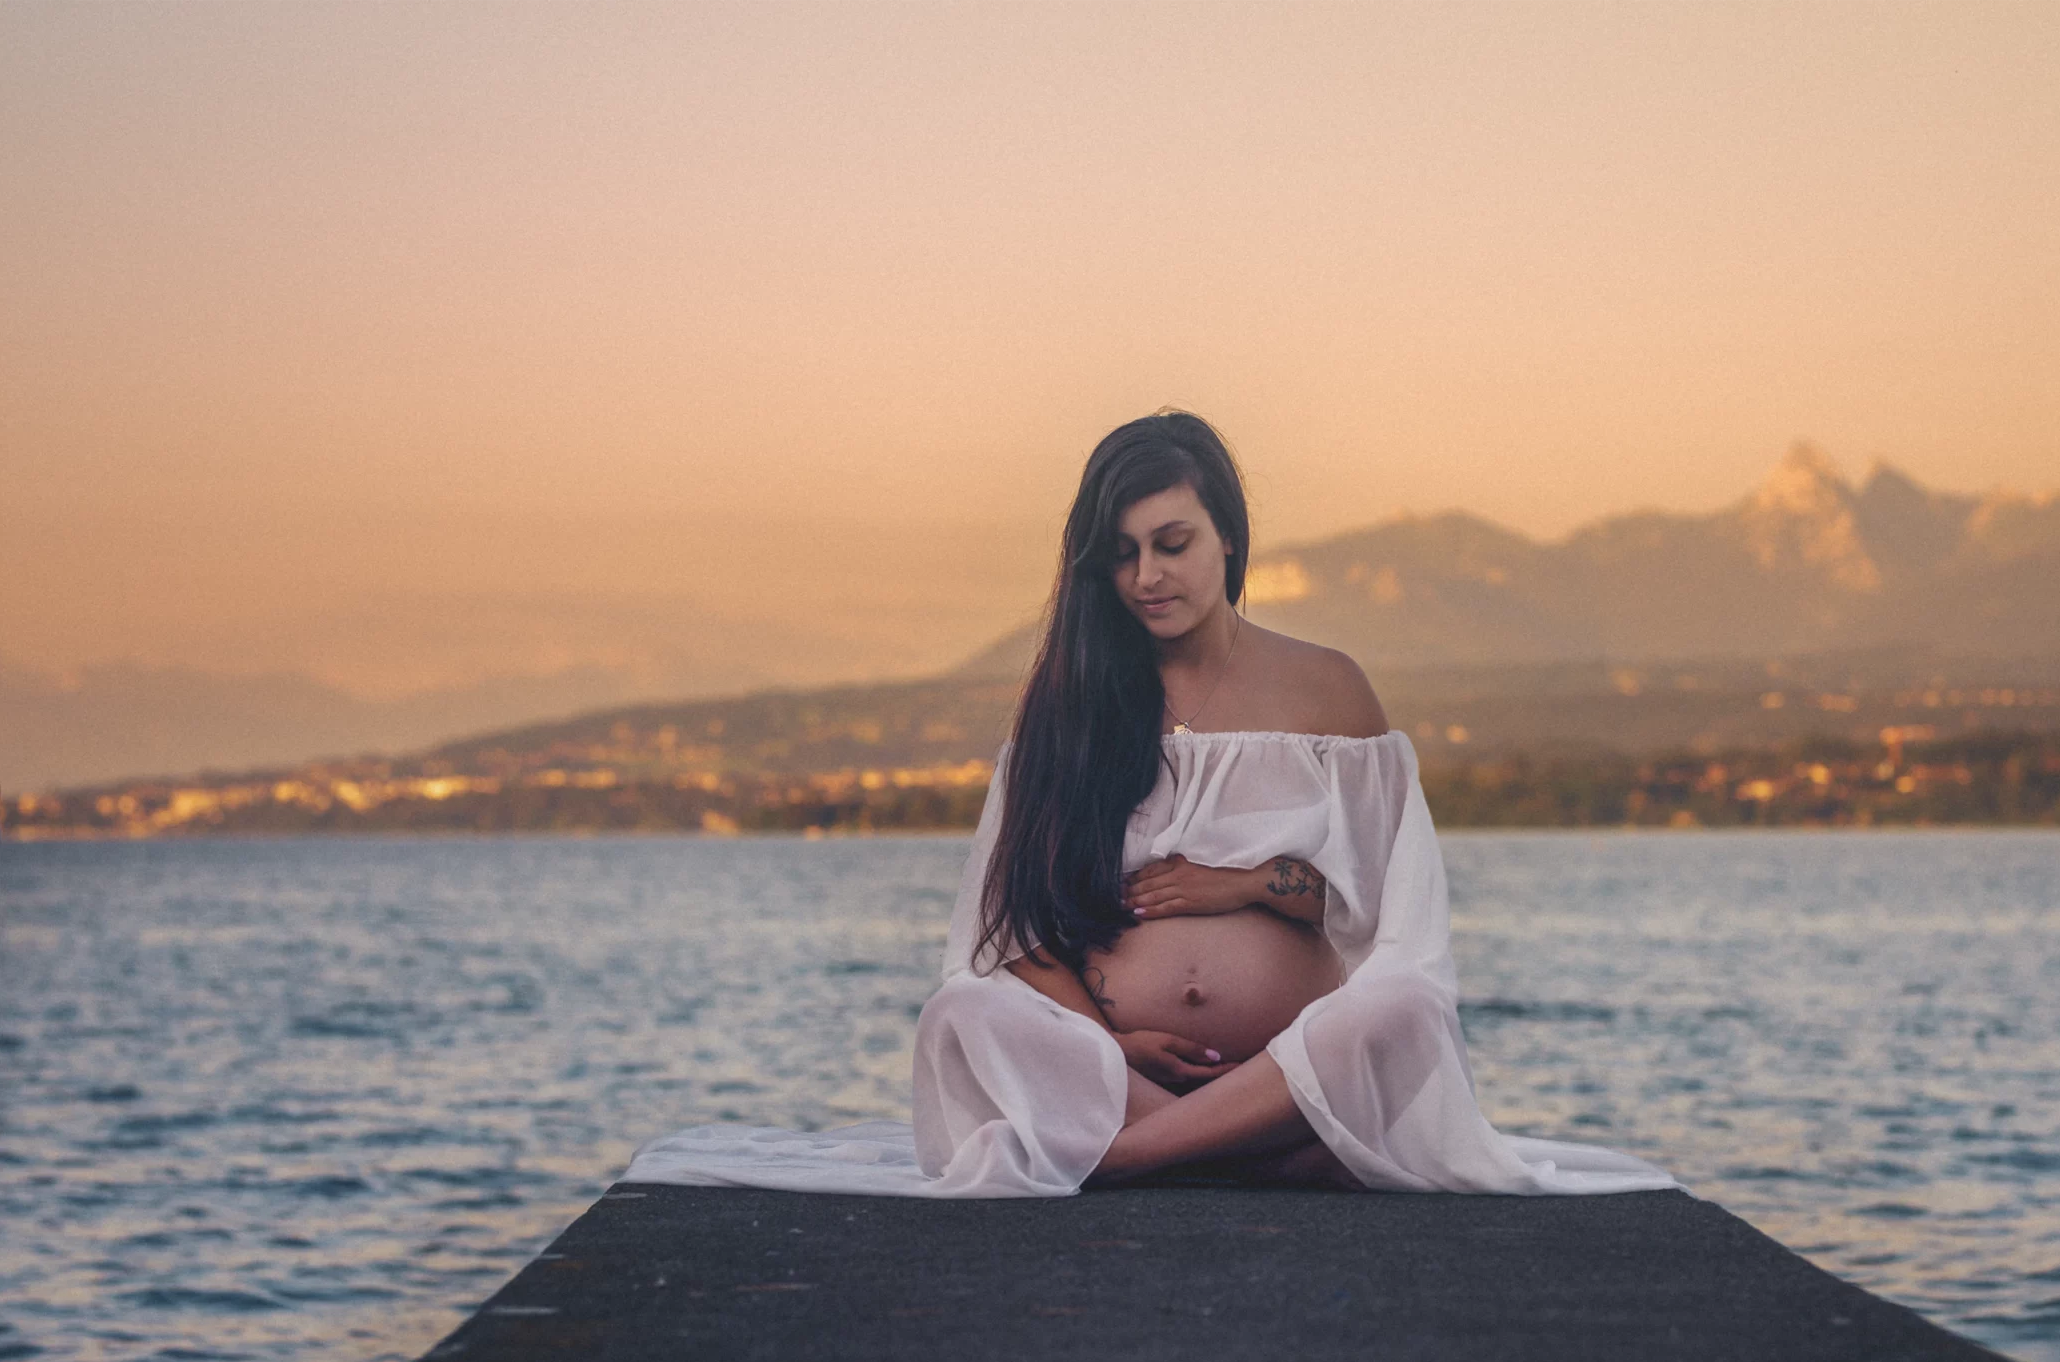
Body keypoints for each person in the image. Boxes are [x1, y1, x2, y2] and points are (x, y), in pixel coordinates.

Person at [622, 412, 1676, 1198]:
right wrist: (1108, 1044)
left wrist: (1245, 882)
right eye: (1120, 553)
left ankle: (1126, 1160)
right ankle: (1251, 1151)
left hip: (1276, 1064)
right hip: (1124, 1070)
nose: (1145, 575)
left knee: (1402, 1012)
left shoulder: (1329, 691)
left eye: (1171, 543)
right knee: (962, 1013)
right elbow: (1009, 936)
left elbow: (1379, 924)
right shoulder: (1071, 710)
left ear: (1228, 538)